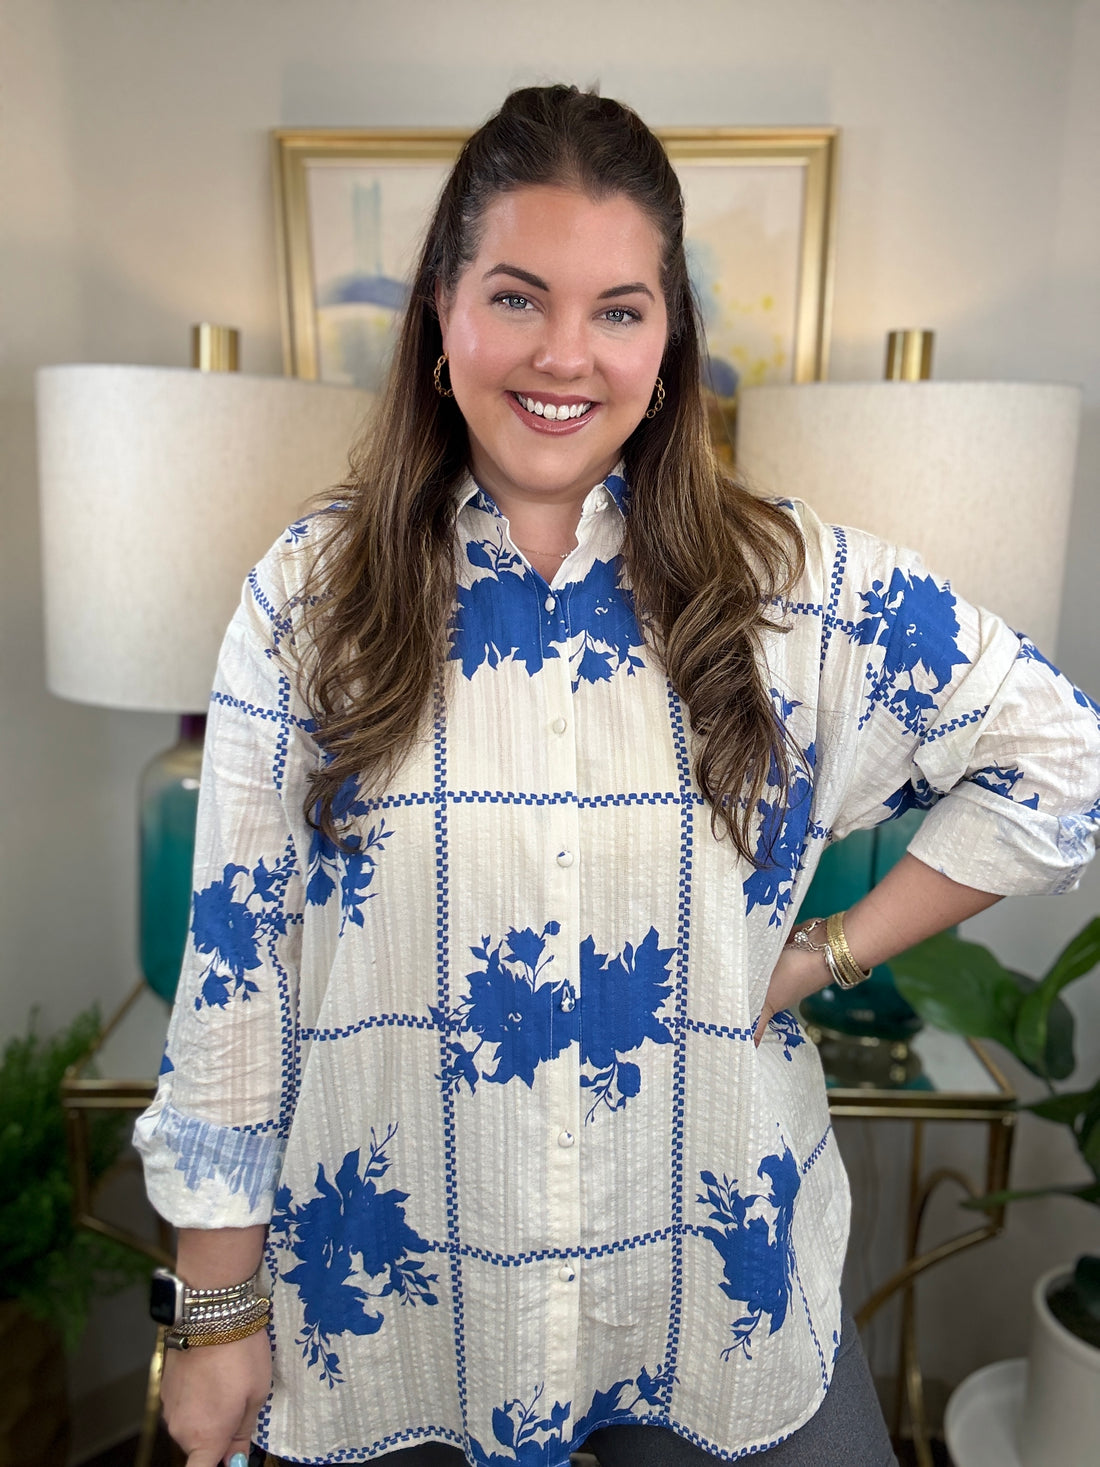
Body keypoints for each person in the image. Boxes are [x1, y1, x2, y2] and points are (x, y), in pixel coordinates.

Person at [135, 85, 1100, 1467]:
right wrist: (217, 1313)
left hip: (711, 1304)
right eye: (519, 298)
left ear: (668, 342)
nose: (566, 355)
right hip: (396, 1306)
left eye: (620, 310)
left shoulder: (796, 592)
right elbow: (236, 969)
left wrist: (821, 951)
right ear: (440, 317)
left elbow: (1062, 756)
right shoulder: (309, 600)